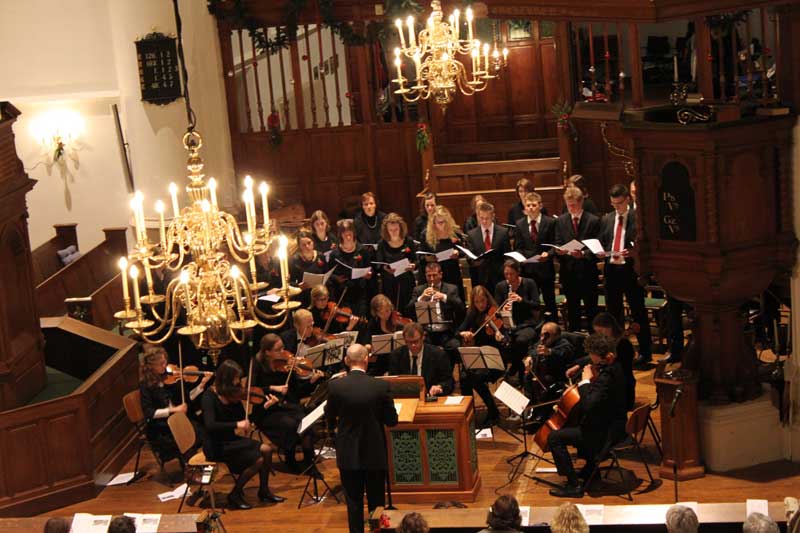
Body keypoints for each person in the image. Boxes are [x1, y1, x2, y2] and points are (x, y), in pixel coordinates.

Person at [325, 343, 398, 533]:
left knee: (353, 501)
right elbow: (392, 421)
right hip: (374, 452)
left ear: (346, 360)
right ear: (366, 359)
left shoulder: (335, 386)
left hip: (348, 452)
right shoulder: (381, 386)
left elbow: (329, 414)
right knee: (377, 502)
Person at [547, 333, 627, 498]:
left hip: (606, 434)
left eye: (591, 353)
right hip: (615, 423)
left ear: (598, 355)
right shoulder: (617, 366)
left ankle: (573, 485)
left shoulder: (607, 377)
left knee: (554, 437)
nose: (590, 357)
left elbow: (589, 404)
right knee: (580, 422)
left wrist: (585, 381)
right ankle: (591, 470)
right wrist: (580, 367)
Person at [201, 359, 284, 509]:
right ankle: (235, 494)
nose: (239, 382)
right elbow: (210, 425)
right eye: (236, 379)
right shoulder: (209, 397)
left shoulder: (233, 395)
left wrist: (264, 407)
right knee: (258, 460)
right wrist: (236, 424)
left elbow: (247, 420)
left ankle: (264, 490)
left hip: (231, 439)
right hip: (216, 444)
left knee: (267, 449)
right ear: (226, 379)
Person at [251, 334, 322, 476]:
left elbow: (297, 391)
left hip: (288, 405)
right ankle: (290, 460)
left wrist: (311, 381)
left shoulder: (286, 365)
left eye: (283, 347)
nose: (283, 352)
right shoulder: (257, 364)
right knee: (290, 425)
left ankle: (310, 463)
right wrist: (272, 388)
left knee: (305, 424)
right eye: (278, 349)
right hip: (267, 409)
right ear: (267, 352)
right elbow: (251, 390)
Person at [598, 183, 652, 367]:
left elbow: (645, 245)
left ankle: (645, 352)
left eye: (619, 203)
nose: (617, 207)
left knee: (638, 312)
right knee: (614, 314)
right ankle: (617, 351)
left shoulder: (638, 218)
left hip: (630, 272)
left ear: (627, 199)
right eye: (613, 204)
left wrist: (633, 252)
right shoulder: (607, 219)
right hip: (612, 271)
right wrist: (601, 252)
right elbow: (604, 241)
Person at [138, 344, 210, 459]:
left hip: (179, 419)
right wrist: (173, 410)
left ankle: (200, 462)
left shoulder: (169, 379)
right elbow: (149, 412)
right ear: (151, 366)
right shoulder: (145, 385)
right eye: (161, 364)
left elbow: (187, 399)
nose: (165, 366)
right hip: (162, 427)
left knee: (202, 431)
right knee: (187, 438)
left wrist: (201, 385)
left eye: (165, 362)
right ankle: (191, 465)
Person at [566, 313, 636, 411]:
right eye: (597, 331)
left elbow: (615, 366)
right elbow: (596, 356)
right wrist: (578, 365)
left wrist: (587, 381)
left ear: (610, 327)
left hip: (623, 391)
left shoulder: (624, 345)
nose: (599, 334)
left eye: (601, 331)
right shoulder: (607, 347)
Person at [554, 186, 601, 331]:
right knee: (573, 311)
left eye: (574, 205)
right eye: (568, 205)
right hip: (569, 273)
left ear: (581, 202)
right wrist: (560, 251)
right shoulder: (561, 220)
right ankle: (574, 340)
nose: (571, 208)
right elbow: (557, 241)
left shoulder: (593, 220)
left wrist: (584, 254)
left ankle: (594, 341)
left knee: (591, 310)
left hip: (588, 272)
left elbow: (598, 246)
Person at [457, 285, 505, 425]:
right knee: (464, 377)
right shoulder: (472, 314)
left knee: (475, 379)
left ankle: (493, 411)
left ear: (487, 299)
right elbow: (458, 331)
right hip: (479, 358)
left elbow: (507, 337)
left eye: (483, 301)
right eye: (477, 302)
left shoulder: (495, 313)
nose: (480, 305)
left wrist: (500, 337)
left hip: (495, 360)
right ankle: (469, 412)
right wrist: (463, 333)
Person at [407, 261, 465, 364]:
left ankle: (447, 372)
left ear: (440, 274)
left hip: (446, 332)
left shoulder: (451, 289)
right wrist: (421, 299)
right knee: (422, 348)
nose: (432, 279)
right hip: (426, 333)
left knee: (454, 346)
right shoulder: (419, 290)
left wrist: (444, 297)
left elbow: (461, 307)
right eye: (429, 276)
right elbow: (409, 310)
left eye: (434, 275)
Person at [494, 260, 540, 383]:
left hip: (527, 324)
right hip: (508, 324)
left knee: (520, 341)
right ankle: (514, 371)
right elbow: (497, 310)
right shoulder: (500, 286)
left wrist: (521, 300)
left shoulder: (529, 283)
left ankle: (514, 369)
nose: (509, 277)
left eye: (512, 274)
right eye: (506, 274)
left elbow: (537, 305)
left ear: (518, 272)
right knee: (502, 341)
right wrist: (502, 310)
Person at [515, 192, 557, 320]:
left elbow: (555, 245)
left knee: (550, 302)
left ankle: (553, 325)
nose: (531, 208)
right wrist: (523, 257)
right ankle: (532, 326)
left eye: (533, 205)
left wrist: (548, 254)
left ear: (540, 206)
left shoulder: (550, 222)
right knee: (530, 303)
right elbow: (518, 247)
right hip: (528, 270)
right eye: (528, 205)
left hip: (545, 269)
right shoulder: (520, 224)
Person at [388, 322, 454, 397]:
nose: (413, 345)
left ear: (423, 337)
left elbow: (449, 381)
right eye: (409, 342)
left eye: (416, 341)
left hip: (430, 397)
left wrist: (439, 387)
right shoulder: (396, 356)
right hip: (405, 398)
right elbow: (392, 382)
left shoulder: (438, 355)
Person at [329, 218, 373, 318]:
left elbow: (370, 269)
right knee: (345, 321)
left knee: (360, 320)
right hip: (343, 294)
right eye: (345, 235)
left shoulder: (362, 250)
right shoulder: (335, 254)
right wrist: (336, 278)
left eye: (350, 234)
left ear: (354, 233)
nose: (348, 237)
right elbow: (329, 274)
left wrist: (368, 275)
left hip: (360, 293)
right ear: (340, 235)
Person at [420, 205, 464, 297]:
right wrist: (428, 258)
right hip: (435, 274)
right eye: (438, 222)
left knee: (453, 299)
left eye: (443, 222)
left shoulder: (455, 232)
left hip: (452, 271)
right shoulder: (426, 234)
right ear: (433, 223)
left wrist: (457, 253)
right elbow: (421, 255)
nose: (441, 224)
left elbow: (463, 251)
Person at [523, 322, 574, 403]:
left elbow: (566, 354)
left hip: (555, 374)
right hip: (540, 372)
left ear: (556, 336)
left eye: (546, 336)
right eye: (541, 335)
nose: (542, 338)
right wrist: (530, 357)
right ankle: (529, 403)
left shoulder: (564, 344)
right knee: (527, 377)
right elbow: (533, 349)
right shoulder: (542, 340)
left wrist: (550, 352)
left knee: (546, 381)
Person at [377, 212, 417, 313]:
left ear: (401, 228)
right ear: (386, 230)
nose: (394, 232)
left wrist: (414, 265)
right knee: (392, 310)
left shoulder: (408, 241)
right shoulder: (382, 244)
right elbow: (379, 264)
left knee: (408, 310)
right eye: (390, 230)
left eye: (396, 229)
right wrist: (385, 268)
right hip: (389, 283)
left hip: (406, 282)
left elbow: (416, 260)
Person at [466, 201, 510, 293]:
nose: (484, 221)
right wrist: (474, 262)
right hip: (480, 277)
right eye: (481, 218)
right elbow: (469, 257)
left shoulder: (503, 232)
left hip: (499, 277)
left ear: (493, 216)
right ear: (477, 216)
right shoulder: (471, 234)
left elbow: (507, 255)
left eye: (487, 218)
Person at [364, 294, 408, 375]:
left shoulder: (397, 319)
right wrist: (368, 347)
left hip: (398, 358)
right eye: (382, 313)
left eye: (388, 311)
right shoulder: (374, 323)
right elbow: (368, 342)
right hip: (381, 359)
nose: (386, 315)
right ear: (376, 313)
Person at [289, 229, 329, 309]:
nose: (307, 246)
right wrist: (298, 285)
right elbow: (290, 281)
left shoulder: (320, 256)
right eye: (303, 245)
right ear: (299, 246)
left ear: (313, 242)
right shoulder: (295, 260)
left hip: (319, 296)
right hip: (304, 296)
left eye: (309, 243)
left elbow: (326, 273)